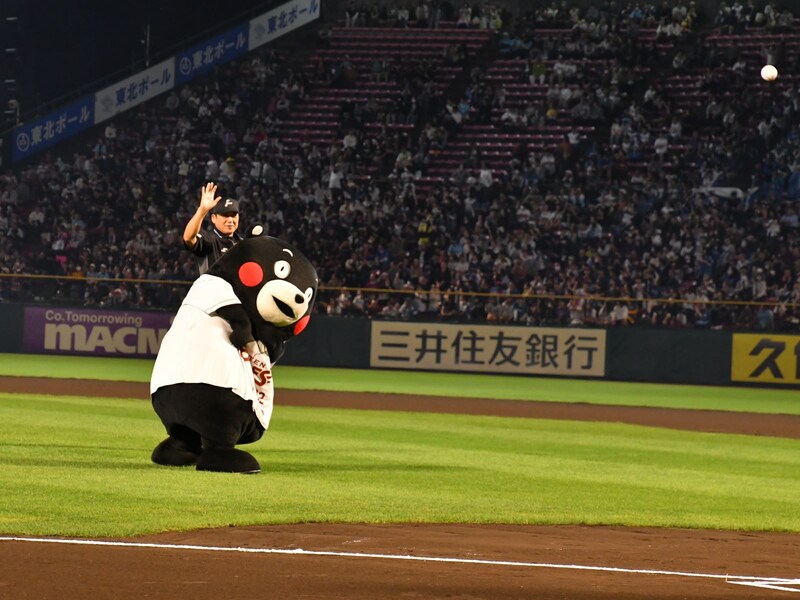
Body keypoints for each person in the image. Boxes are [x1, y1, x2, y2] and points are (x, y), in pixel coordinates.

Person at [183, 182, 244, 275]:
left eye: (234, 216)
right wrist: (202, 210)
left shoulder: (243, 242)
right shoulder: (208, 239)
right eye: (225, 216)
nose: (230, 220)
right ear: (213, 218)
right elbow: (188, 238)